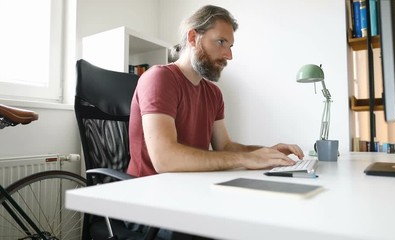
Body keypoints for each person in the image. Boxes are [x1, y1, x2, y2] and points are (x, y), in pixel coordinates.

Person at [127, 5, 304, 178]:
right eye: (221, 42)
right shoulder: (159, 78)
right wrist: (246, 159)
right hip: (149, 190)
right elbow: (165, 160)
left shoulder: (213, 93)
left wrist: (266, 152)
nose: (229, 55)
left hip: (190, 186)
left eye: (230, 46)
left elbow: (225, 146)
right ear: (193, 37)